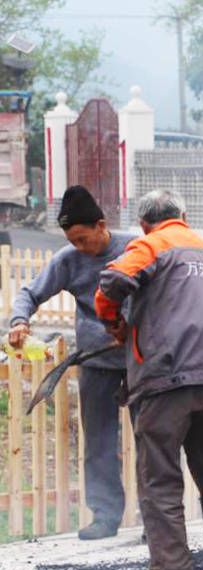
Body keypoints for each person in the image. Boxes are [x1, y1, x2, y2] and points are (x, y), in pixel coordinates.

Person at [95, 189, 203, 570]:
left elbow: (111, 281)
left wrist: (113, 323)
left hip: (169, 372)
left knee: (159, 474)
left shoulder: (152, 244)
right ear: (184, 214)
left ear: (146, 223)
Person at [6, 185, 134, 540]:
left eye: (82, 238)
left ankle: (157, 520)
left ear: (101, 225)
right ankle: (106, 516)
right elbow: (29, 293)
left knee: (153, 438)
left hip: (139, 359)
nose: (79, 247)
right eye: (72, 240)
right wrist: (19, 321)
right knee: (99, 442)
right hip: (94, 361)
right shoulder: (68, 259)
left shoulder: (133, 249)